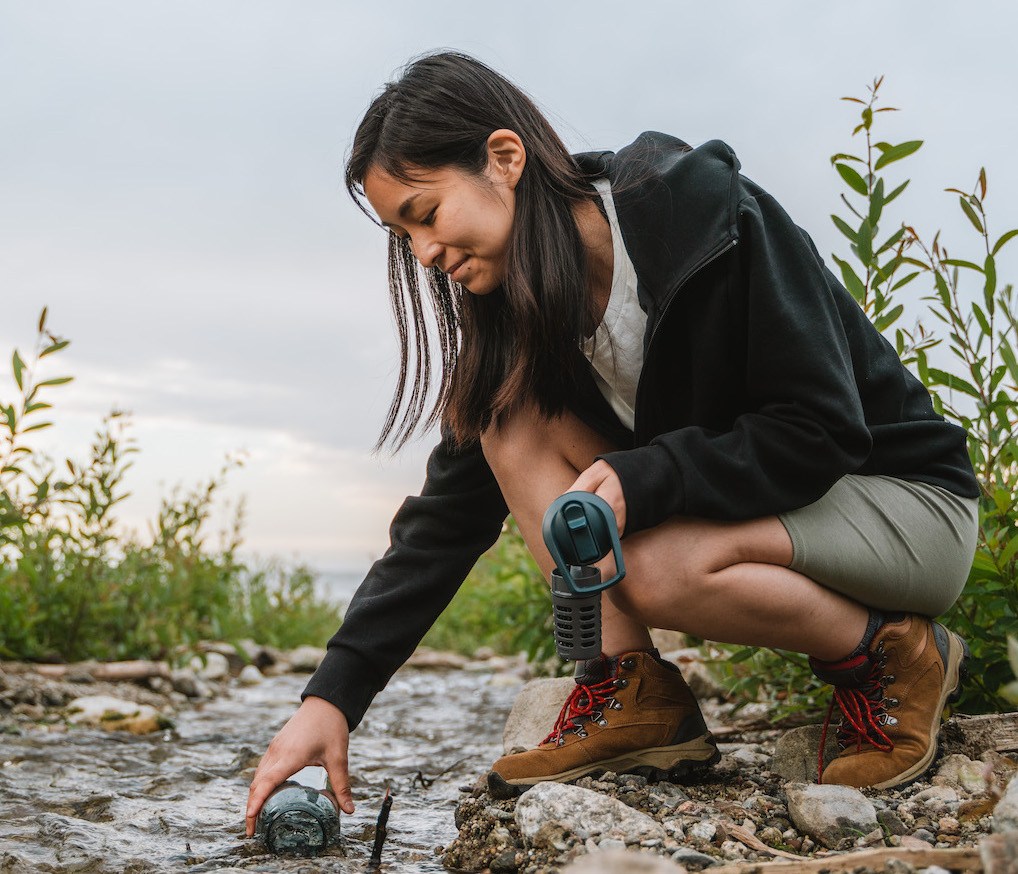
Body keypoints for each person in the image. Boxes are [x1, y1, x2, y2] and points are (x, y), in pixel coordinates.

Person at [246, 51, 979, 831]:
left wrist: (650, 476)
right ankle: (631, 688)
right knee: (504, 413)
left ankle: (895, 653)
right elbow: (446, 521)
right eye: (404, 234)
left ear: (503, 159)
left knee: (656, 570)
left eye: (425, 215)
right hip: (780, 513)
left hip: (907, 506)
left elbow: (823, 428)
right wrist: (331, 698)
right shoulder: (517, 309)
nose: (423, 253)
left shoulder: (697, 216)